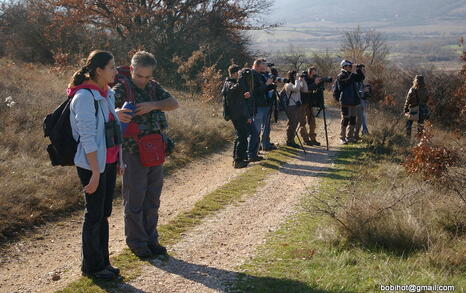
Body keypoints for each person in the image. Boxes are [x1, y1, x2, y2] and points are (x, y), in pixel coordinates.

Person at [113, 51, 179, 259]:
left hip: (155, 150)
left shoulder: (153, 87)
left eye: (148, 76)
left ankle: (151, 240)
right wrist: (116, 113)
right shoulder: (121, 88)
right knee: (134, 199)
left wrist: (154, 105)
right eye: (140, 76)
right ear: (132, 69)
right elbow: (105, 110)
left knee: (152, 199)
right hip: (132, 151)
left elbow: (174, 103)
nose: (143, 81)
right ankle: (137, 243)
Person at [69, 50, 125, 280]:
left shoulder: (107, 94)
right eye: (112, 67)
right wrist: (94, 172)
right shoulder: (84, 97)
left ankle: (103, 262)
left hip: (108, 162)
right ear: (99, 70)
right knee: (93, 214)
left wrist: (118, 161)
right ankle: (91, 267)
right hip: (92, 164)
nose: (115, 71)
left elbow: (112, 130)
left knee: (104, 213)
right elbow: (88, 137)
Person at [222, 64, 254, 168]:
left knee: (240, 136)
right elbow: (234, 90)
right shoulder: (229, 83)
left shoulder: (233, 83)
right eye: (238, 73)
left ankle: (238, 158)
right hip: (237, 115)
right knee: (242, 137)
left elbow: (238, 96)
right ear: (234, 73)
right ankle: (238, 160)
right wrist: (240, 78)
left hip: (239, 114)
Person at [244, 58, 275, 161]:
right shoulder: (253, 75)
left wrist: (270, 86)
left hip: (264, 104)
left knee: (261, 128)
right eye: (264, 65)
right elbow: (255, 92)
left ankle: (255, 151)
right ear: (257, 65)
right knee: (256, 130)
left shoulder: (260, 75)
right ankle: (251, 153)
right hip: (258, 106)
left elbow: (263, 90)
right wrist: (266, 84)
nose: (266, 66)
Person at [335, 60, 365, 144]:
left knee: (353, 120)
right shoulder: (341, 76)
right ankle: (342, 137)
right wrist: (352, 74)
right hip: (345, 101)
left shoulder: (351, 75)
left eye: (351, 66)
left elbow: (361, 78)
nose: (351, 68)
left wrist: (358, 69)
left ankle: (350, 137)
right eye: (350, 66)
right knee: (345, 119)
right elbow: (343, 85)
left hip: (354, 101)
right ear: (344, 67)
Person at [284, 70, 308, 147]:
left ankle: (292, 140)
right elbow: (296, 89)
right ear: (291, 76)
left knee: (295, 123)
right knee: (292, 124)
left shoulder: (296, 83)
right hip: (291, 106)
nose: (296, 77)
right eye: (295, 75)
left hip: (297, 106)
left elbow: (305, 90)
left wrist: (303, 80)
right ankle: (289, 141)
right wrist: (298, 80)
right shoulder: (288, 84)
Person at [301, 67, 322, 146]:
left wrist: (319, 83)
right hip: (302, 103)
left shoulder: (313, 79)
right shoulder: (303, 79)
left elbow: (315, 88)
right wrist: (315, 83)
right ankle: (306, 139)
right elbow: (306, 89)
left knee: (312, 121)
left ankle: (313, 138)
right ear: (309, 73)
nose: (314, 75)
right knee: (302, 122)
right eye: (313, 74)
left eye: (315, 74)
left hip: (309, 102)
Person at [354, 64, 369, 139]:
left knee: (363, 117)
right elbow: (356, 91)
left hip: (363, 101)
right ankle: (363, 132)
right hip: (358, 102)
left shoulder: (361, 80)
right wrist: (363, 90)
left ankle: (363, 132)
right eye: (363, 70)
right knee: (360, 118)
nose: (364, 71)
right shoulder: (356, 79)